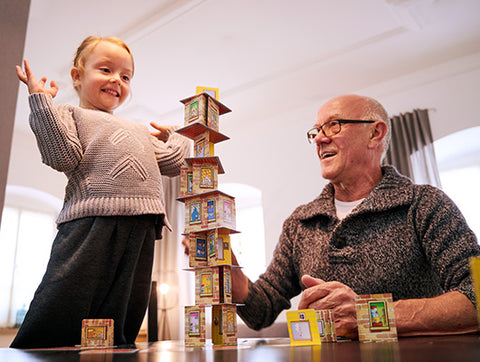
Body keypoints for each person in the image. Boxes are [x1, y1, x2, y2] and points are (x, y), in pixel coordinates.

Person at [230, 94, 480, 340]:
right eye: (316, 130)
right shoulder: (300, 223)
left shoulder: (425, 205)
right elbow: (260, 312)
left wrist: (367, 315)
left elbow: (476, 297)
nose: (318, 138)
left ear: (375, 133)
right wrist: (230, 273)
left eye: (333, 125)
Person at [11, 36, 190, 348]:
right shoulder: (70, 114)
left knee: (124, 310)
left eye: (125, 76)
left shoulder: (138, 131)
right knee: (65, 297)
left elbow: (175, 163)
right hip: (91, 221)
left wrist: (175, 134)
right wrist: (42, 104)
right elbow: (60, 155)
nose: (116, 81)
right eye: (106, 70)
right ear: (77, 76)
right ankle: (36, 351)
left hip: (143, 225)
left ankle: (116, 351)